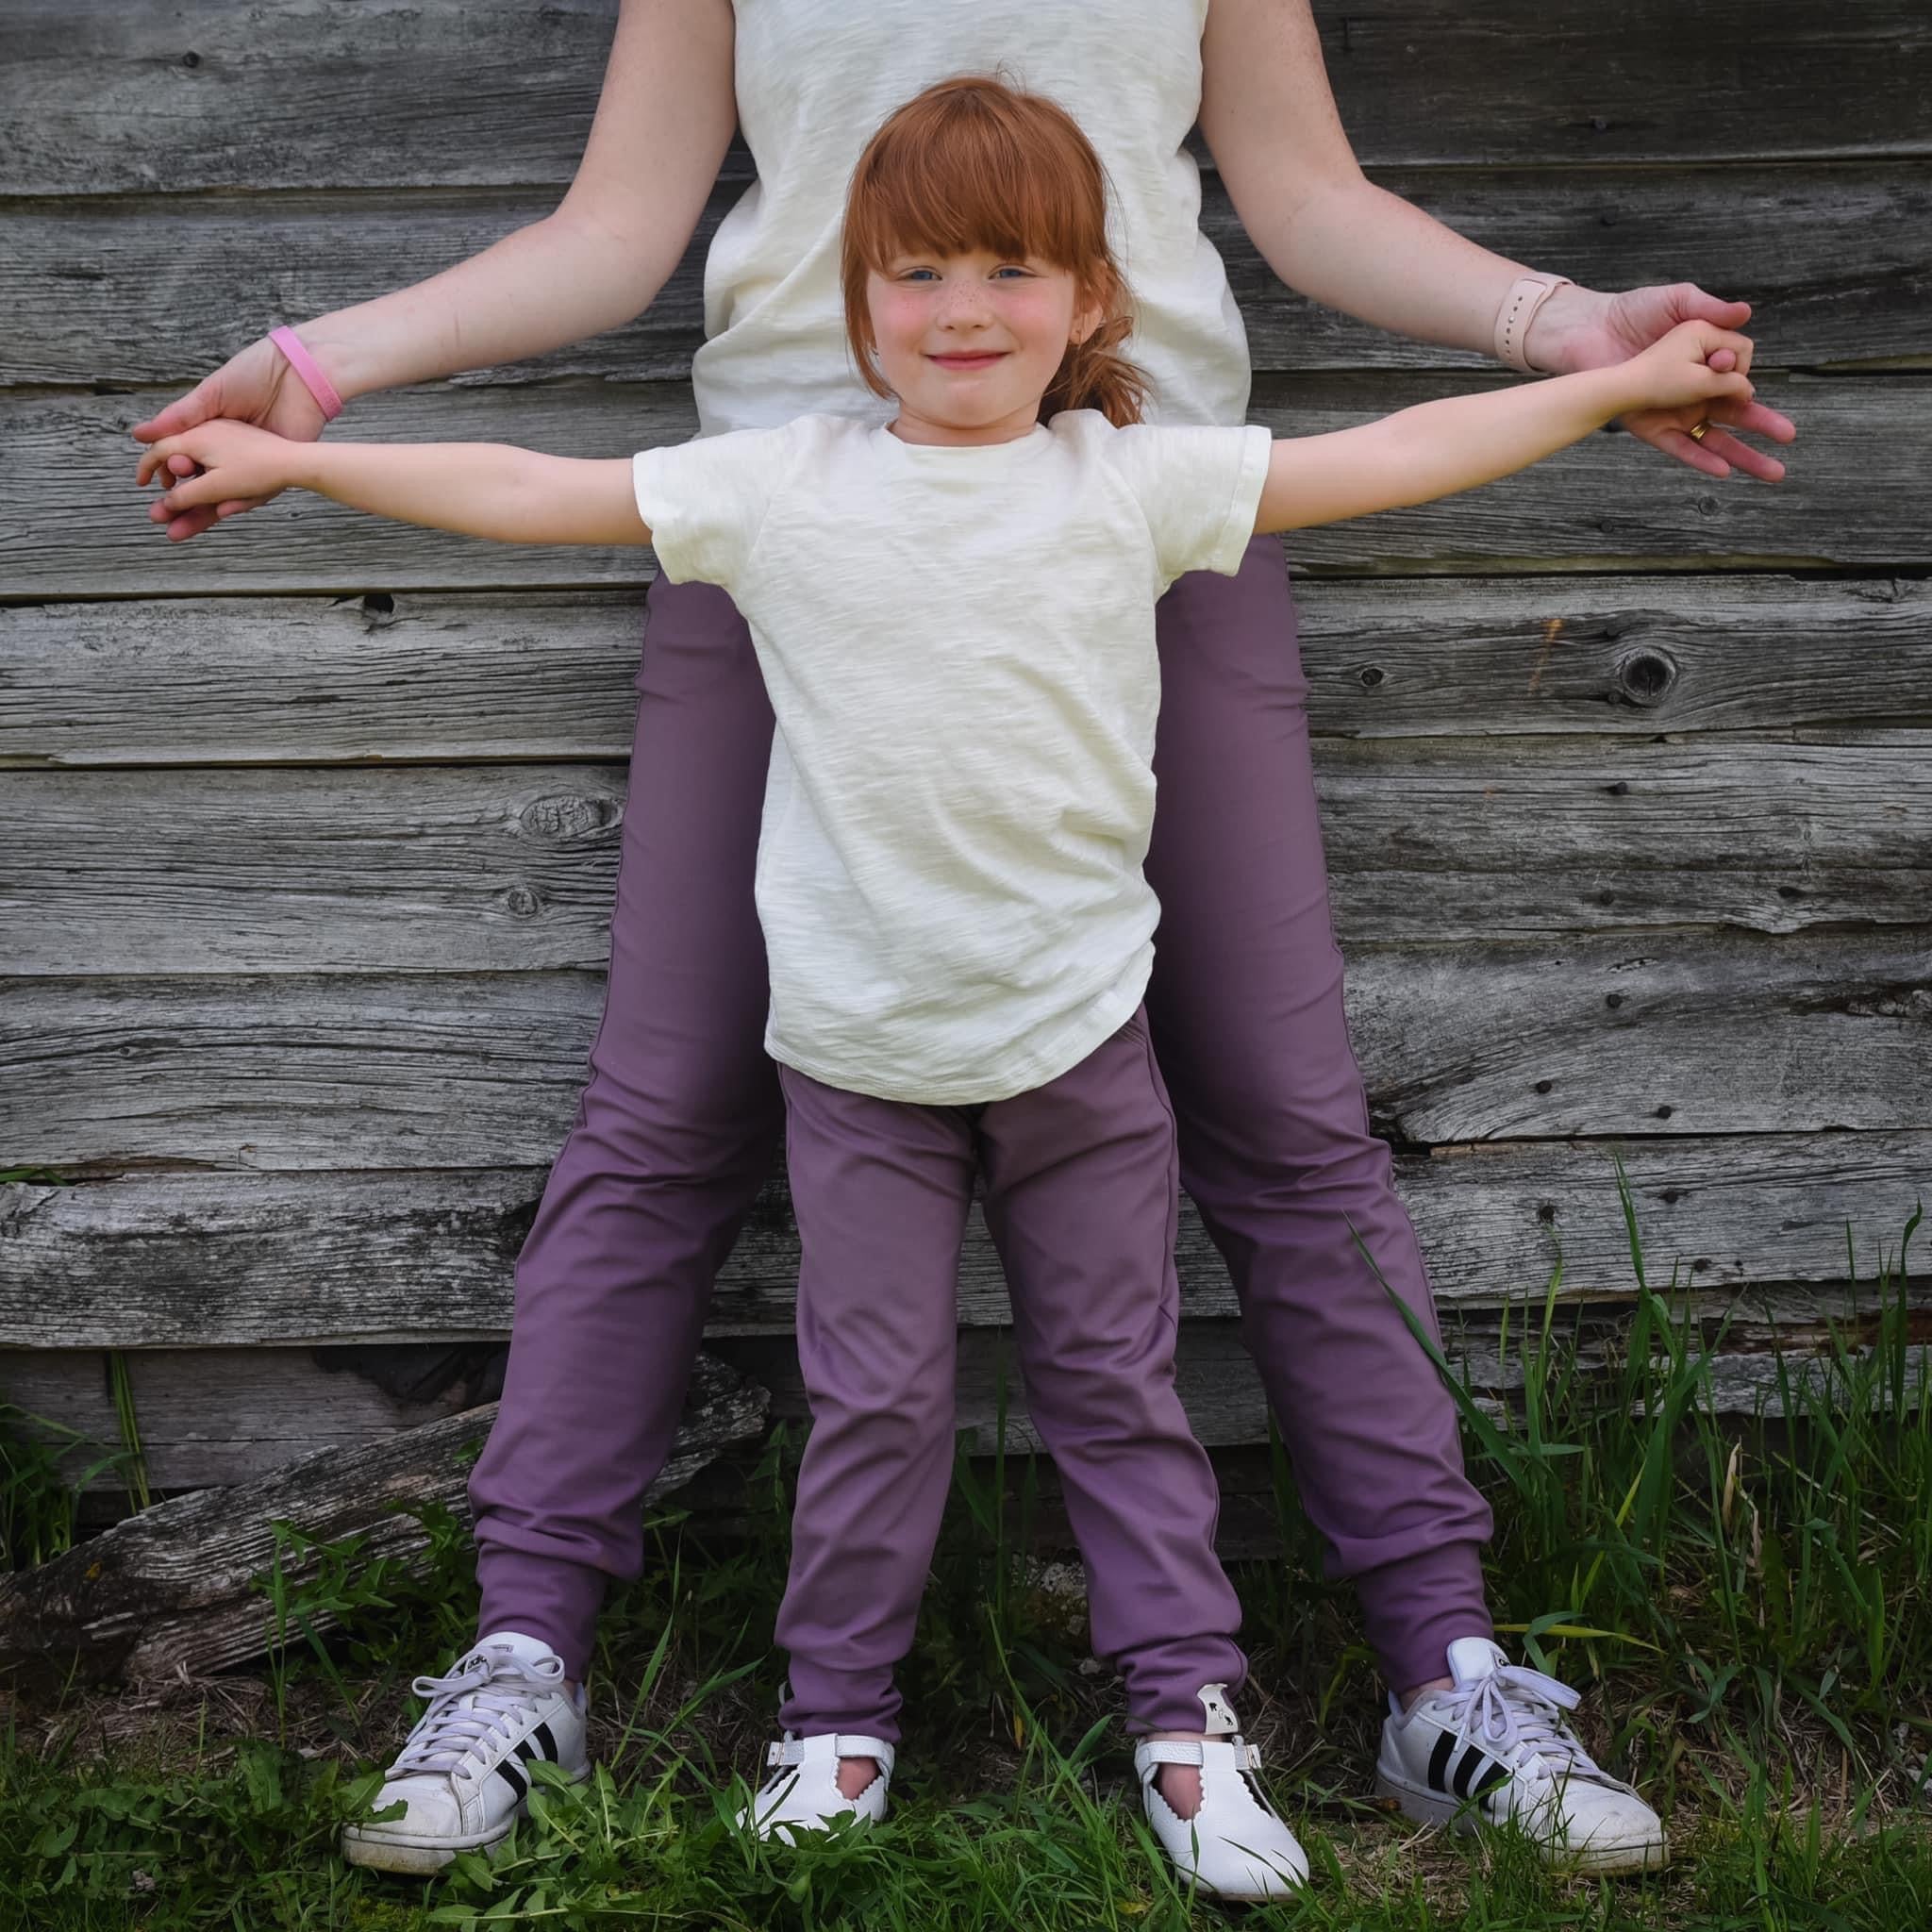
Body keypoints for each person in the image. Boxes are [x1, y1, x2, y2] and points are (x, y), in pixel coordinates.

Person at [131, 0, 1794, 1883]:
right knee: (669, 1102)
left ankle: (1447, 1671)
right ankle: (525, 1659)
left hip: (1140, 512)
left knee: (1276, 1097)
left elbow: (1309, 199)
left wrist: (1559, 333)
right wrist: (309, 373)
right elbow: (613, 230)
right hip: (784, 531)